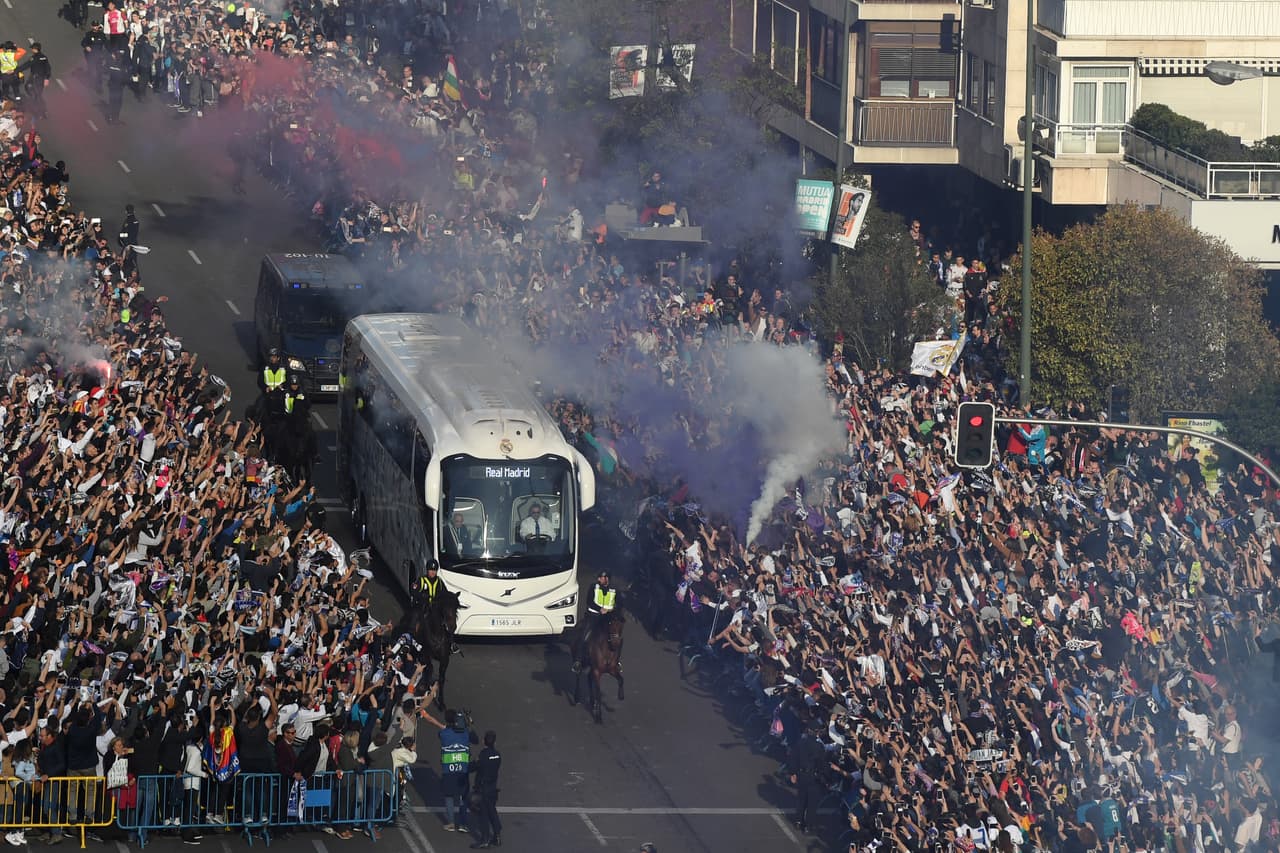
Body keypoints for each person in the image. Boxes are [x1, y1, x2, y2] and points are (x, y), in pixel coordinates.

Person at [439, 710, 477, 834]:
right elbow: (476, 739)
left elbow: (441, 733)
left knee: (449, 797)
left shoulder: (444, 734)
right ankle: (463, 824)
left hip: (448, 772)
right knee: (463, 798)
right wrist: (469, 723)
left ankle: (451, 823)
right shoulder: (466, 733)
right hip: (463, 772)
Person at [573, 570, 616, 673]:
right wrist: (600, 609)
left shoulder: (614, 590)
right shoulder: (593, 587)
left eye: (604, 577)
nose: (602, 579)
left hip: (607, 617)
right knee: (584, 636)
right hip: (593, 616)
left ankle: (616, 661)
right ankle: (578, 661)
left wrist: (611, 609)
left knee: (616, 637)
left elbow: (616, 602)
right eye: (601, 577)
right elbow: (589, 602)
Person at [469, 730, 502, 848]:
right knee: (492, 812)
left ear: (484, 741)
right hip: (493, 788)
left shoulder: (483, 755)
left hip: (483, 789)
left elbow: (473, 767)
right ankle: (497, 836)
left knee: (483, 814)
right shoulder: (497, 755)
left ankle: (485, 839)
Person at [19, 44, 51, 119]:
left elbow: (25, 65)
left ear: (35, 49)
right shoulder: (44, 57)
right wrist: (47, 78)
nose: (31, 50)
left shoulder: (34, 58)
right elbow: (48, 68)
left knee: (36, 95)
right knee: (36, 93)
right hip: (41, 78)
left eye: (32, 49)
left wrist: (15, 70)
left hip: (35, 78)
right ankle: (43, 111)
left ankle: (41, 112)